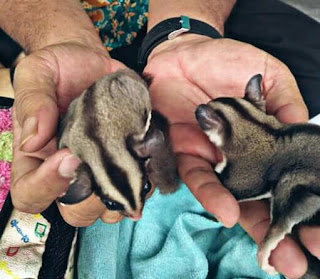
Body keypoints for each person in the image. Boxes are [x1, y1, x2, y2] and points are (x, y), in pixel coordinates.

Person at [0, 0, 319, 278]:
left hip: (185, 29)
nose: (136, 213)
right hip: (62, 42)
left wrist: (187, 31)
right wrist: (59, 37)